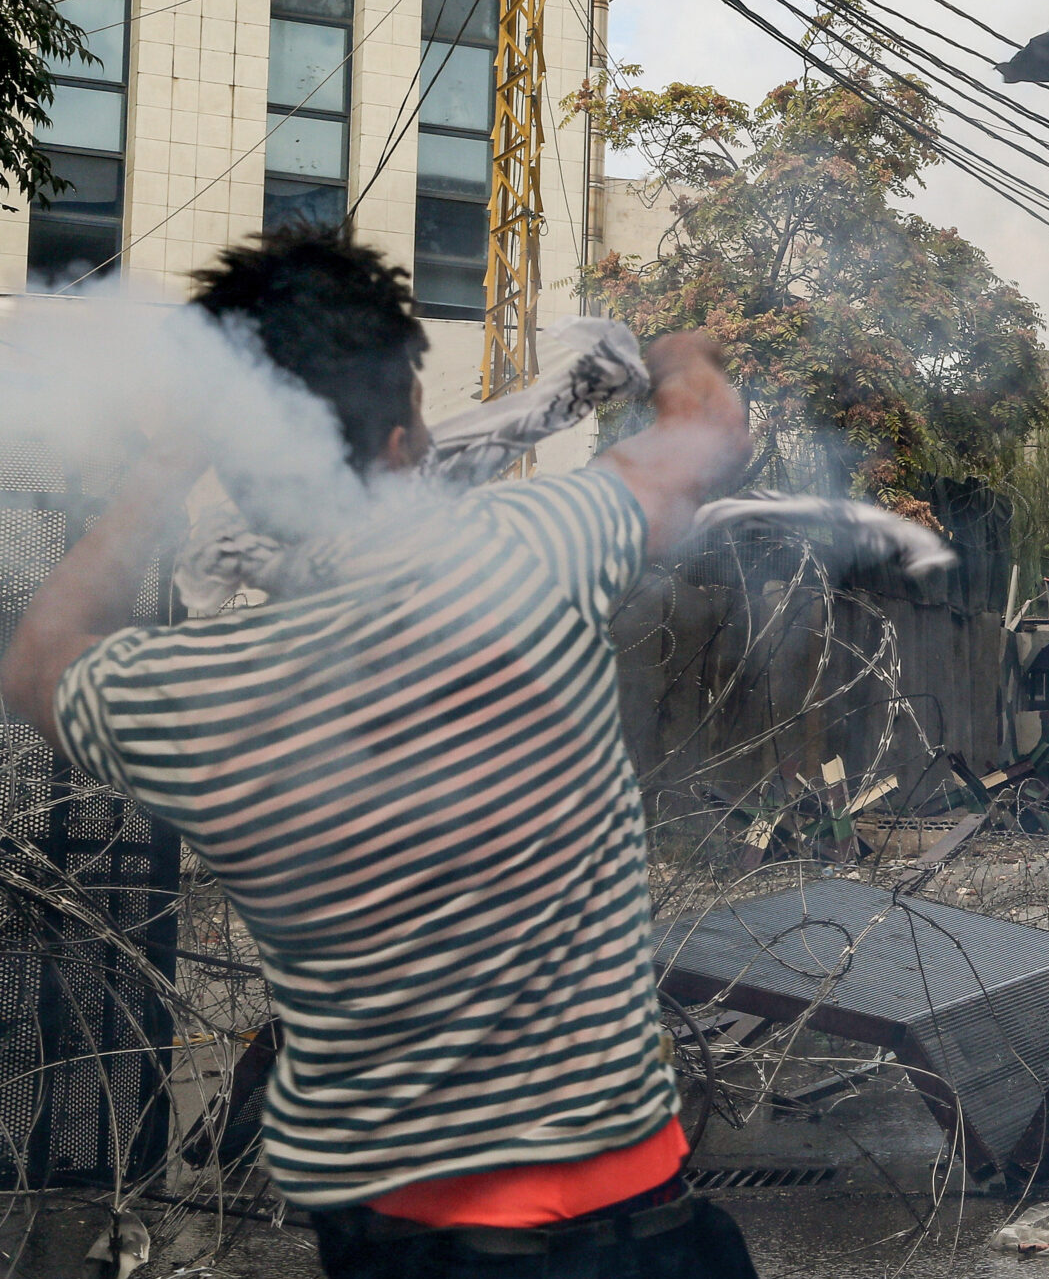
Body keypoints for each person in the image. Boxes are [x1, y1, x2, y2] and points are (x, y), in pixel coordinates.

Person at [0, 230, 758, 1278]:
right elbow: (711, 429)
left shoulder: (184, 695)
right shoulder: (528, 550)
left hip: (389, 1249)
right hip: (620, 1232)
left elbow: (37, 660)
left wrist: (170, 462)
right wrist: (677, 353)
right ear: (403, 440)